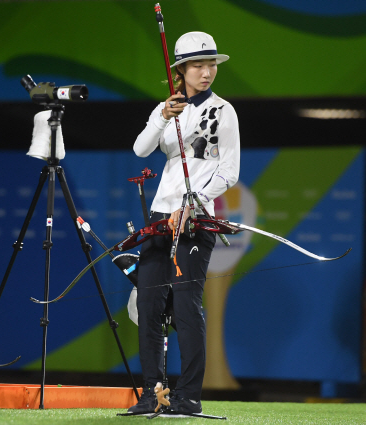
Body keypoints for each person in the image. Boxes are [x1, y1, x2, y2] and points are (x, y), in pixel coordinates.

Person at [128, 32, 240, 415]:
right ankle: (151, 395)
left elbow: (229, 172)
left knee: (187, 308)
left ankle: (188, 397)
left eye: (211, 65)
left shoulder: (224, 112)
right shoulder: (168, 109)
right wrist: (163, 116)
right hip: (161, 217)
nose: (206, 72)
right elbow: (140, 149)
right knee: (149, 305)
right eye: (197, 65)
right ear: (181, 70)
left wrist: (197, 200)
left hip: (196, 219)